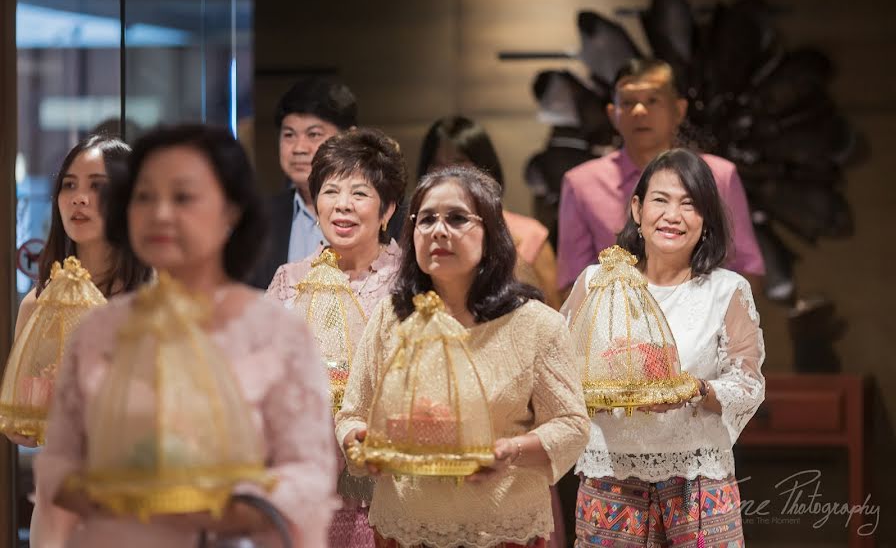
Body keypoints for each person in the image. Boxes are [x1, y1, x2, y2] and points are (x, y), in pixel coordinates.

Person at [36, 124, 338, 547]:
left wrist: (217, 508)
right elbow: (58, 462)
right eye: (145, 196)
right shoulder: (99, 331)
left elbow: (308, 473)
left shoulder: (276, 333)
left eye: (183, 197)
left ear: (230, 210)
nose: (160, 213)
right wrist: (99, 490)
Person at [335, 166, 590, 548]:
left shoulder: (536, 324)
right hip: (405, 528)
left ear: (490, 232)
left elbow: (571, 424)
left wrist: (511, 451)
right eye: (426, 220)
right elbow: (353, 412)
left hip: (503, 529)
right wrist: (358, 440)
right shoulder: (392, 317)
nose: (439, 231)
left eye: (456, 218)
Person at [561, 149, 765, 547]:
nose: (673, 215)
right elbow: (560, 370)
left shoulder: (727, 291)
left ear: (705, 220)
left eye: (690, 204)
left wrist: (699, 390)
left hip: (699, 481)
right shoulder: (596, 282)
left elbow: (749, 384)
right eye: (660, 200)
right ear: (637, 209)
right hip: (610, 476)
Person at [5, 134, 152, 548]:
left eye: (97, 186)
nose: (78, 198)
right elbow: (20, 430)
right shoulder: (38, 303)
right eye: (69, 185)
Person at [266, 127, 407, 548]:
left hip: (385, 483)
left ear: (388, 209)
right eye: (330, 191)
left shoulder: (410, 285)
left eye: (360, 193)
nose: (342, 205)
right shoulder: (290, 280)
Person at [557, 59, 765, 294]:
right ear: (613, 114)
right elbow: (572, 283)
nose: (639, 111)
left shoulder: (718, 175)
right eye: (628, 103)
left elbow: (746, 267)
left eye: (652, 100)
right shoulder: (582, 183)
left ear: (679, 110)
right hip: (618, 324)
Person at [419, 116, 561, 309]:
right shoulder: (420, 234)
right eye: (437, 164)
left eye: (459, 161)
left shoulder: (530, 236)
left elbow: (555, 311)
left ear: (485, 166)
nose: (447, 173)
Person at [249, 76, 359, 289]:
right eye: (289, 135)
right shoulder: (260, 218)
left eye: (314, 134)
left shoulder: (384, 214)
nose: (299, 148)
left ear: (350, 138)